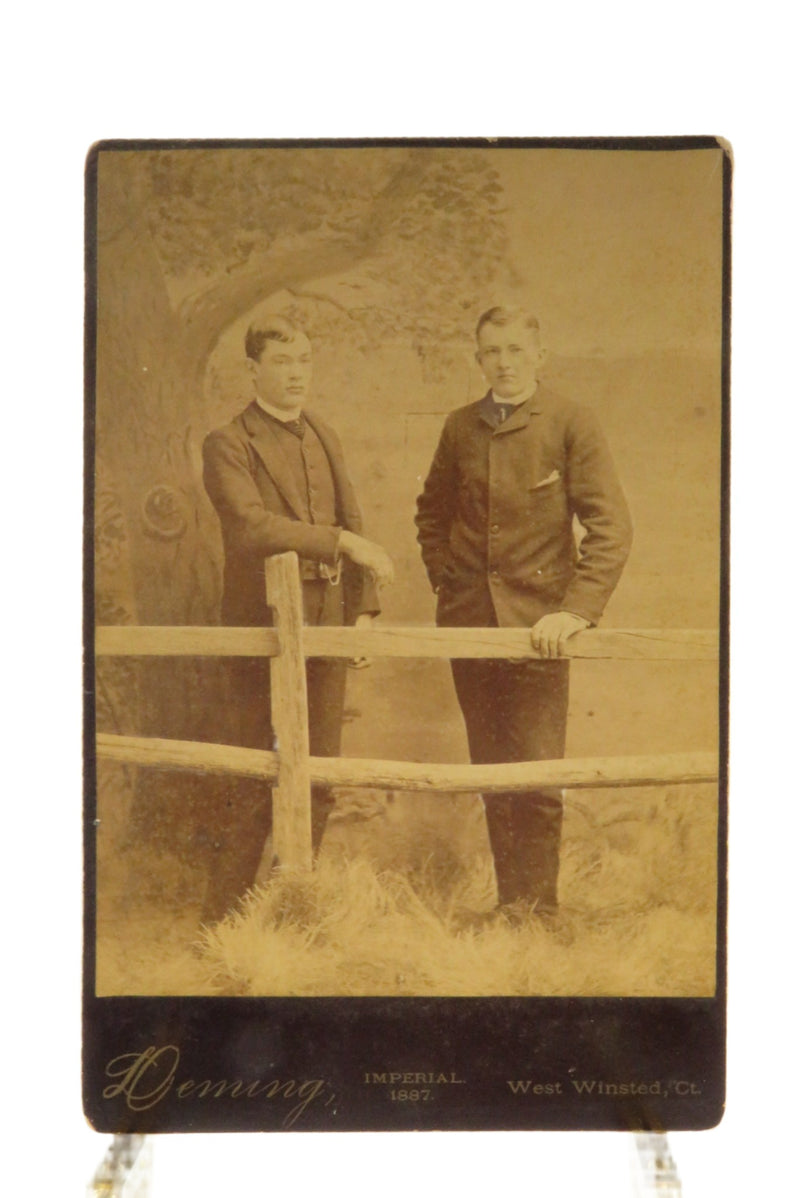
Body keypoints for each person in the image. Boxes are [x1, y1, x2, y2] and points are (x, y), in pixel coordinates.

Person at [415, 306, 632, 924]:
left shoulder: (570, 421)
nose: (504, 362)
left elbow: (611, 529)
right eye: (491, 351)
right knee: (492, 770)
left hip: (541, 631)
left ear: (540, 354)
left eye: (515, 349)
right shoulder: (461, 426)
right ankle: (511, 907)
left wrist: (576, 612)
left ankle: (541, 912)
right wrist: (448, 581)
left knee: (538, 773)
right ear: (478, 358)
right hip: (468, 625)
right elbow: (431, 514)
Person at [201, 314, 392, 922]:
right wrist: (339, 542)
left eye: (304, 361)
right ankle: (222, 920)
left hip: (327, 625)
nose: (295, 375)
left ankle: (288, 909)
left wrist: (362, 612)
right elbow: (251, 526)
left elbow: (354, 521)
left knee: (320, 774)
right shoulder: (229, 442)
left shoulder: (323, 434)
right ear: (253, 370)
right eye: (282, 363)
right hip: (263, 629)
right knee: (256, 774)